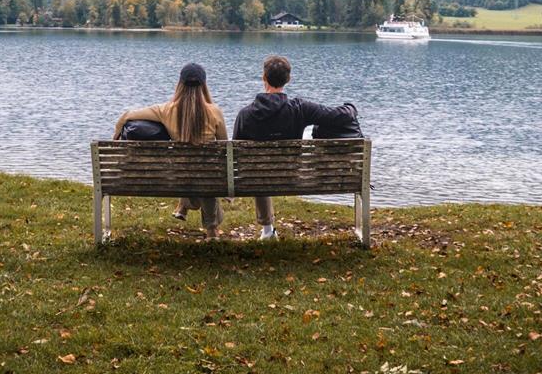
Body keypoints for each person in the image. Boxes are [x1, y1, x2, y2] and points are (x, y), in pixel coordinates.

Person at [233, 55, 360, 240]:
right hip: (291, 176)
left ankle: (267, 230)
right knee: (264, 168)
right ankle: (267, 231)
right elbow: (337, 116)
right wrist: (351, 108)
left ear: (264, 77)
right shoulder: (300, 108)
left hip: (255, 179)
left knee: (259, 169)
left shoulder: (245, 115)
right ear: (288, 79)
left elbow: (236, 154)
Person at [112, 62, 228, 239]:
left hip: (178, 178)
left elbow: (126, 116)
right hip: (208, 176)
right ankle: (211, 229)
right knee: (206, 176)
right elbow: (225, 146)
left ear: (179, 84)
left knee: (195, 175)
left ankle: (184, 206)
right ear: (204, 85)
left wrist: (115, 139)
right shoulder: (215, 112)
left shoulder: (166, 110)